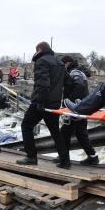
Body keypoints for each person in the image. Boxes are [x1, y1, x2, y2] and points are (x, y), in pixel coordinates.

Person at [16, 41, 70, 169]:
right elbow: (68, 83)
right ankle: (65, 160)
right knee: (55, 131)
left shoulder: (41, 62)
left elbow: (43, 84)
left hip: (41, 102)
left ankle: (31, 157)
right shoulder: (60, 64)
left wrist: (40, 102)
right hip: (54, 104)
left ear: (39, 50)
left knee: (26, 126)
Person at [60, 56, 99, 165]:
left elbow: (79, 85)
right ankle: (92, 156)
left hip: (76, 108)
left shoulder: (74, 72)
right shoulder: (79, 71)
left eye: (63, 65)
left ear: (67, 63)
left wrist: (70, 101)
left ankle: (64, 158)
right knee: (80, 133)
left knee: (64, 132)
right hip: (82, 107)